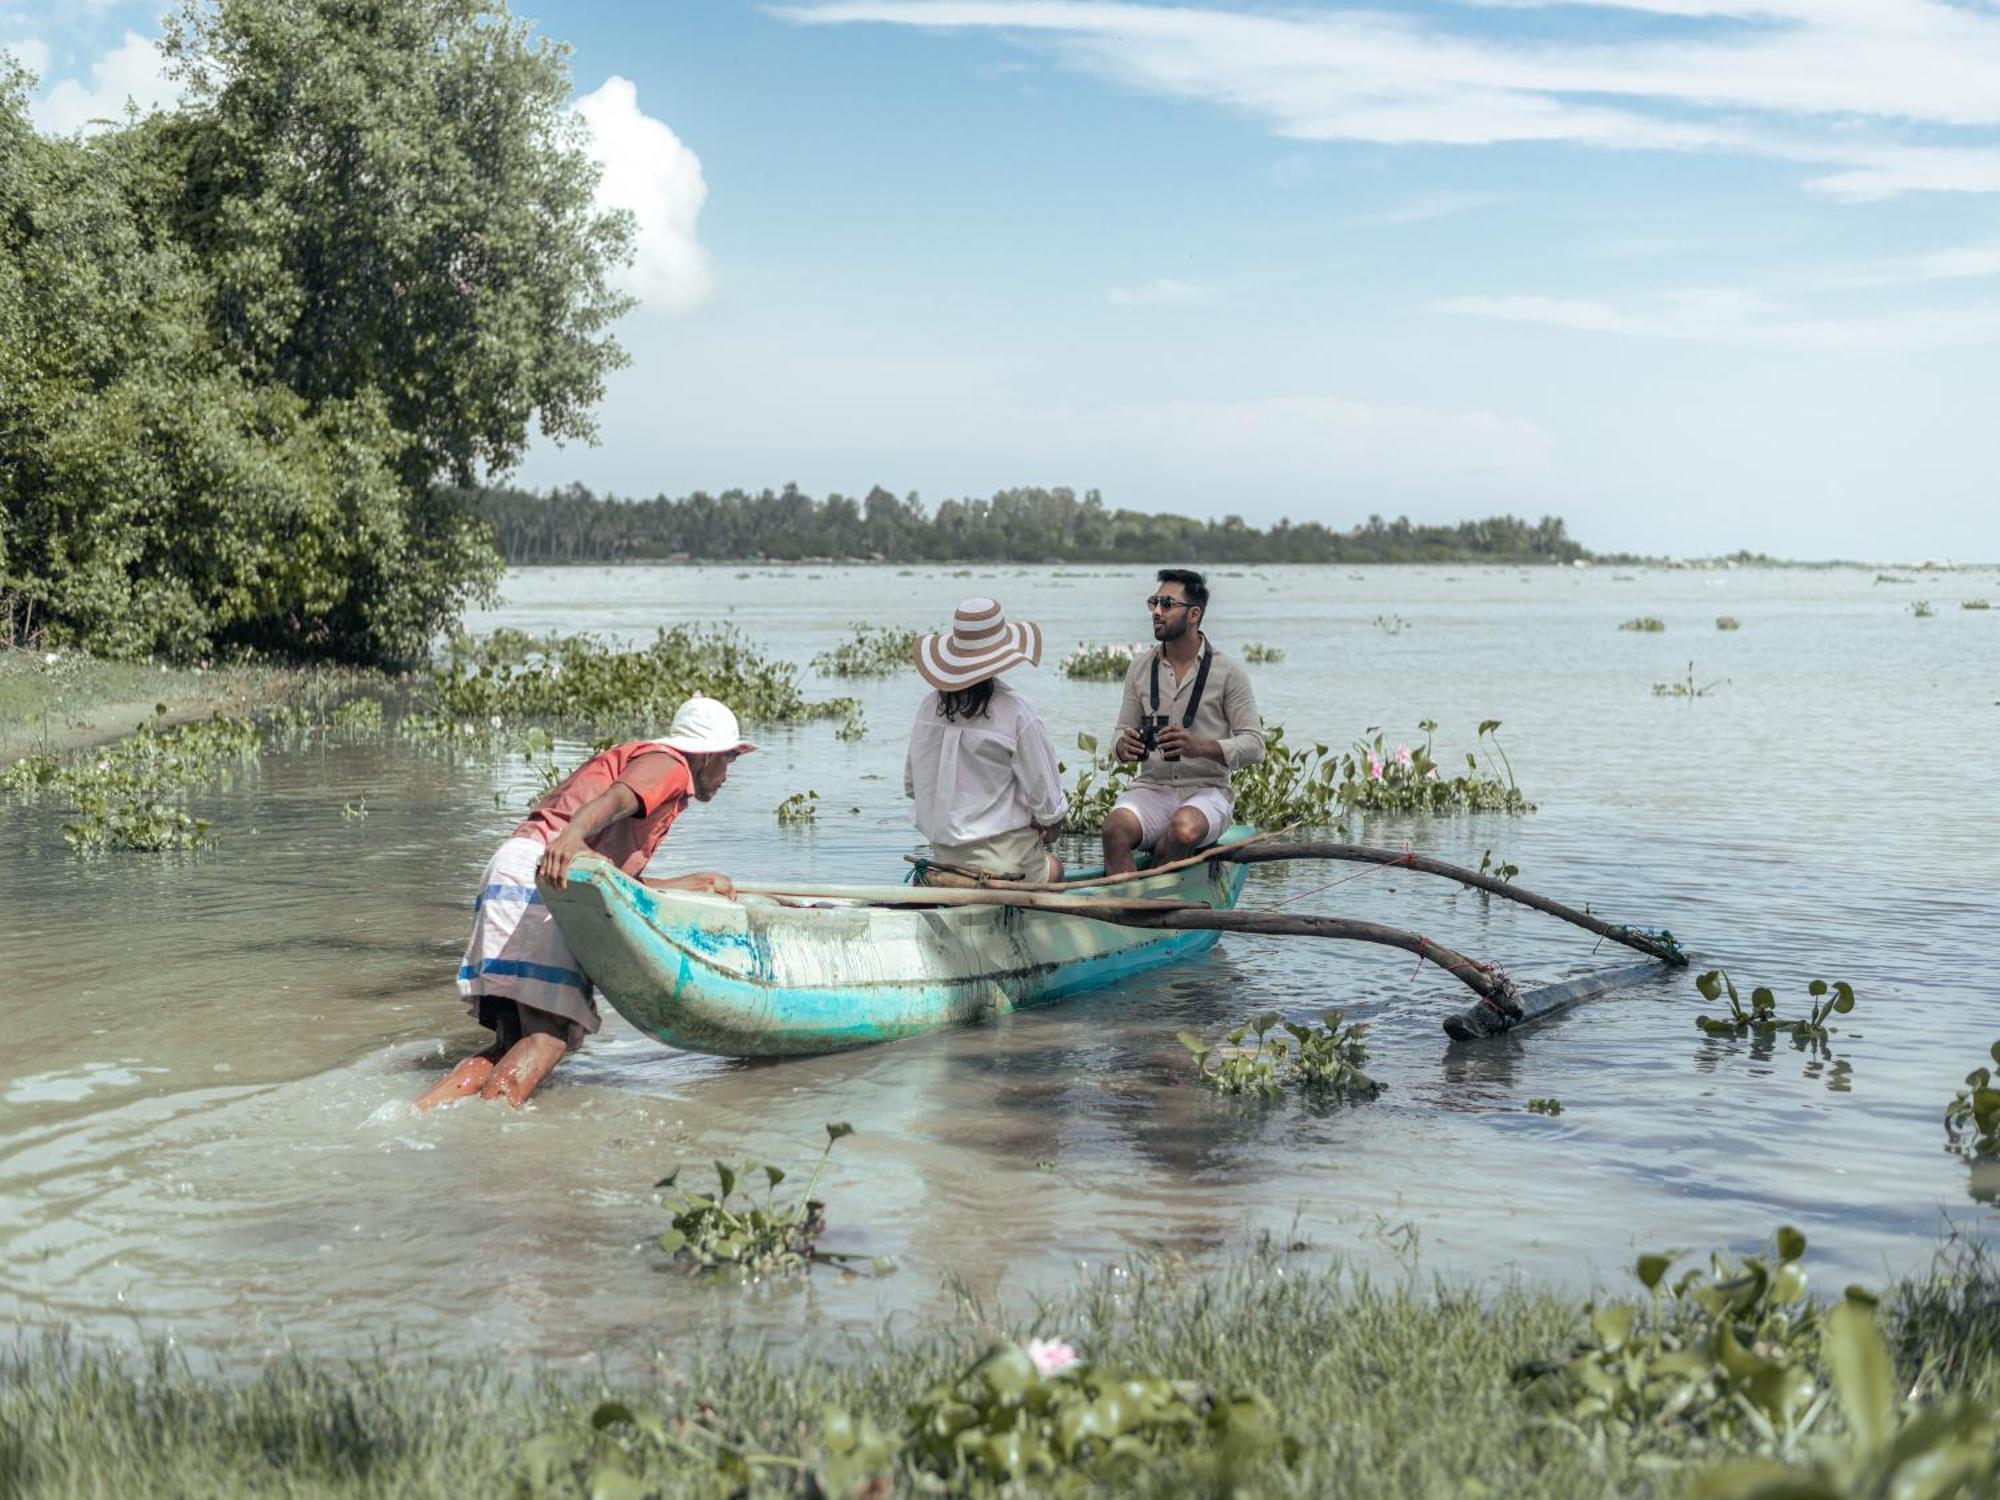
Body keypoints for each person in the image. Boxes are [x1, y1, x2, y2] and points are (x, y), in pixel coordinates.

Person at [413, 694, 752, 1112]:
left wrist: (681, 884)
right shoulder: (671, 764)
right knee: (549, 1037)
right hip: (546, 879)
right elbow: (613, 802)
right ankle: (491, 1143)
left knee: (514, 1042)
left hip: (515, 868)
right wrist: (571, 839)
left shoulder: (647, 760)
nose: (727, 774)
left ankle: (416, 1115)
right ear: (705, 757)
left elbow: (606, 875)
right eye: (728, 760)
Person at [1102, 568, 1264, 876]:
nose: (1156, 612)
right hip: (1152, 788)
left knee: (1183, 830)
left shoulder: (1229, 672)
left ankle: (1151, 904)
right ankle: (1130, 910)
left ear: (1194, 615)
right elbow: (1119, 734)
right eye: (1154, 602)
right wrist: (1124, 746)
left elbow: (1255, 746)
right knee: (1114, 829)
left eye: (1167, 604)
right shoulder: (1139, 668)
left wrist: (1199, 747)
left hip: (1207, 792)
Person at [905, 597, 1068, 882]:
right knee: (1055, 868)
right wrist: (1048, 829)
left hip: (944, 860)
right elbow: (1050, 808)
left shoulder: (927, 707)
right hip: (1004, 865)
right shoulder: (1018, 712)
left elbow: (911, 787)